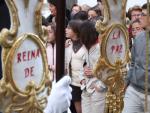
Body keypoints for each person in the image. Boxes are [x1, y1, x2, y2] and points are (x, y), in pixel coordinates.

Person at [122, 3, 150, 113]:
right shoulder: (139, 37)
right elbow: (133, 63)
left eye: (143, 14)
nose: (139, 17)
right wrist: (127, 82)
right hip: (134, 91)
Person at [80, 20, 106, 113]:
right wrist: (82, 80)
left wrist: (100, 86)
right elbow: (83, 65)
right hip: (86, 88)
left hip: (98, 91)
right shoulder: (85, 47)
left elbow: (109, 70)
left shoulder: (101, 49)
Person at [65, 20, 86, 113]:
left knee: (81, 110)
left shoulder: (86, 45)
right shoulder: (68, 44)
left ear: (76, 31)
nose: (66, 30)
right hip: (71, 82)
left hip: (83, 83)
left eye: (69, 28)